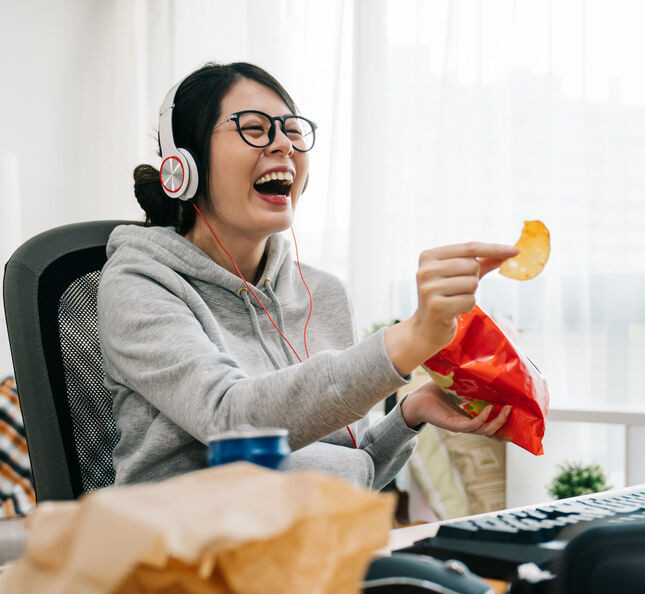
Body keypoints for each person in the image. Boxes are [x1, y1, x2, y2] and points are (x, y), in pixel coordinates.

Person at [98, 61, 517, 488]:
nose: (283, 145)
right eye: (255, 129)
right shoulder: (139, 284)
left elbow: (354, 471)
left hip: (315, 540)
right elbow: (230, 420)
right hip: (193, 547)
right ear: (183, 167)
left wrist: (409, 415)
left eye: (292, 130)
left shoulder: (323, 293)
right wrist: (408, 341)